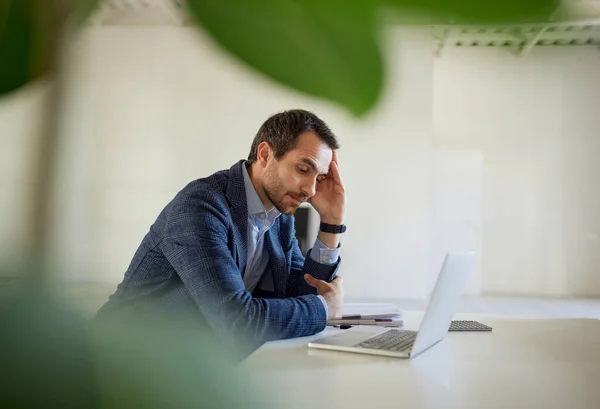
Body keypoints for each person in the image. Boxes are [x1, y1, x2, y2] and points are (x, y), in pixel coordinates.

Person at [94, 109, 346, 353]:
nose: (310, 191)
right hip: (119, 363)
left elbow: (302, 294)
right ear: (266, 154)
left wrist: (331, 222)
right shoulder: (201, 206)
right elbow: (236, 322)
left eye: (320, 178)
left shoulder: (280, 216)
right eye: (303, 170)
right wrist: (323, 309)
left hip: (189, 365)